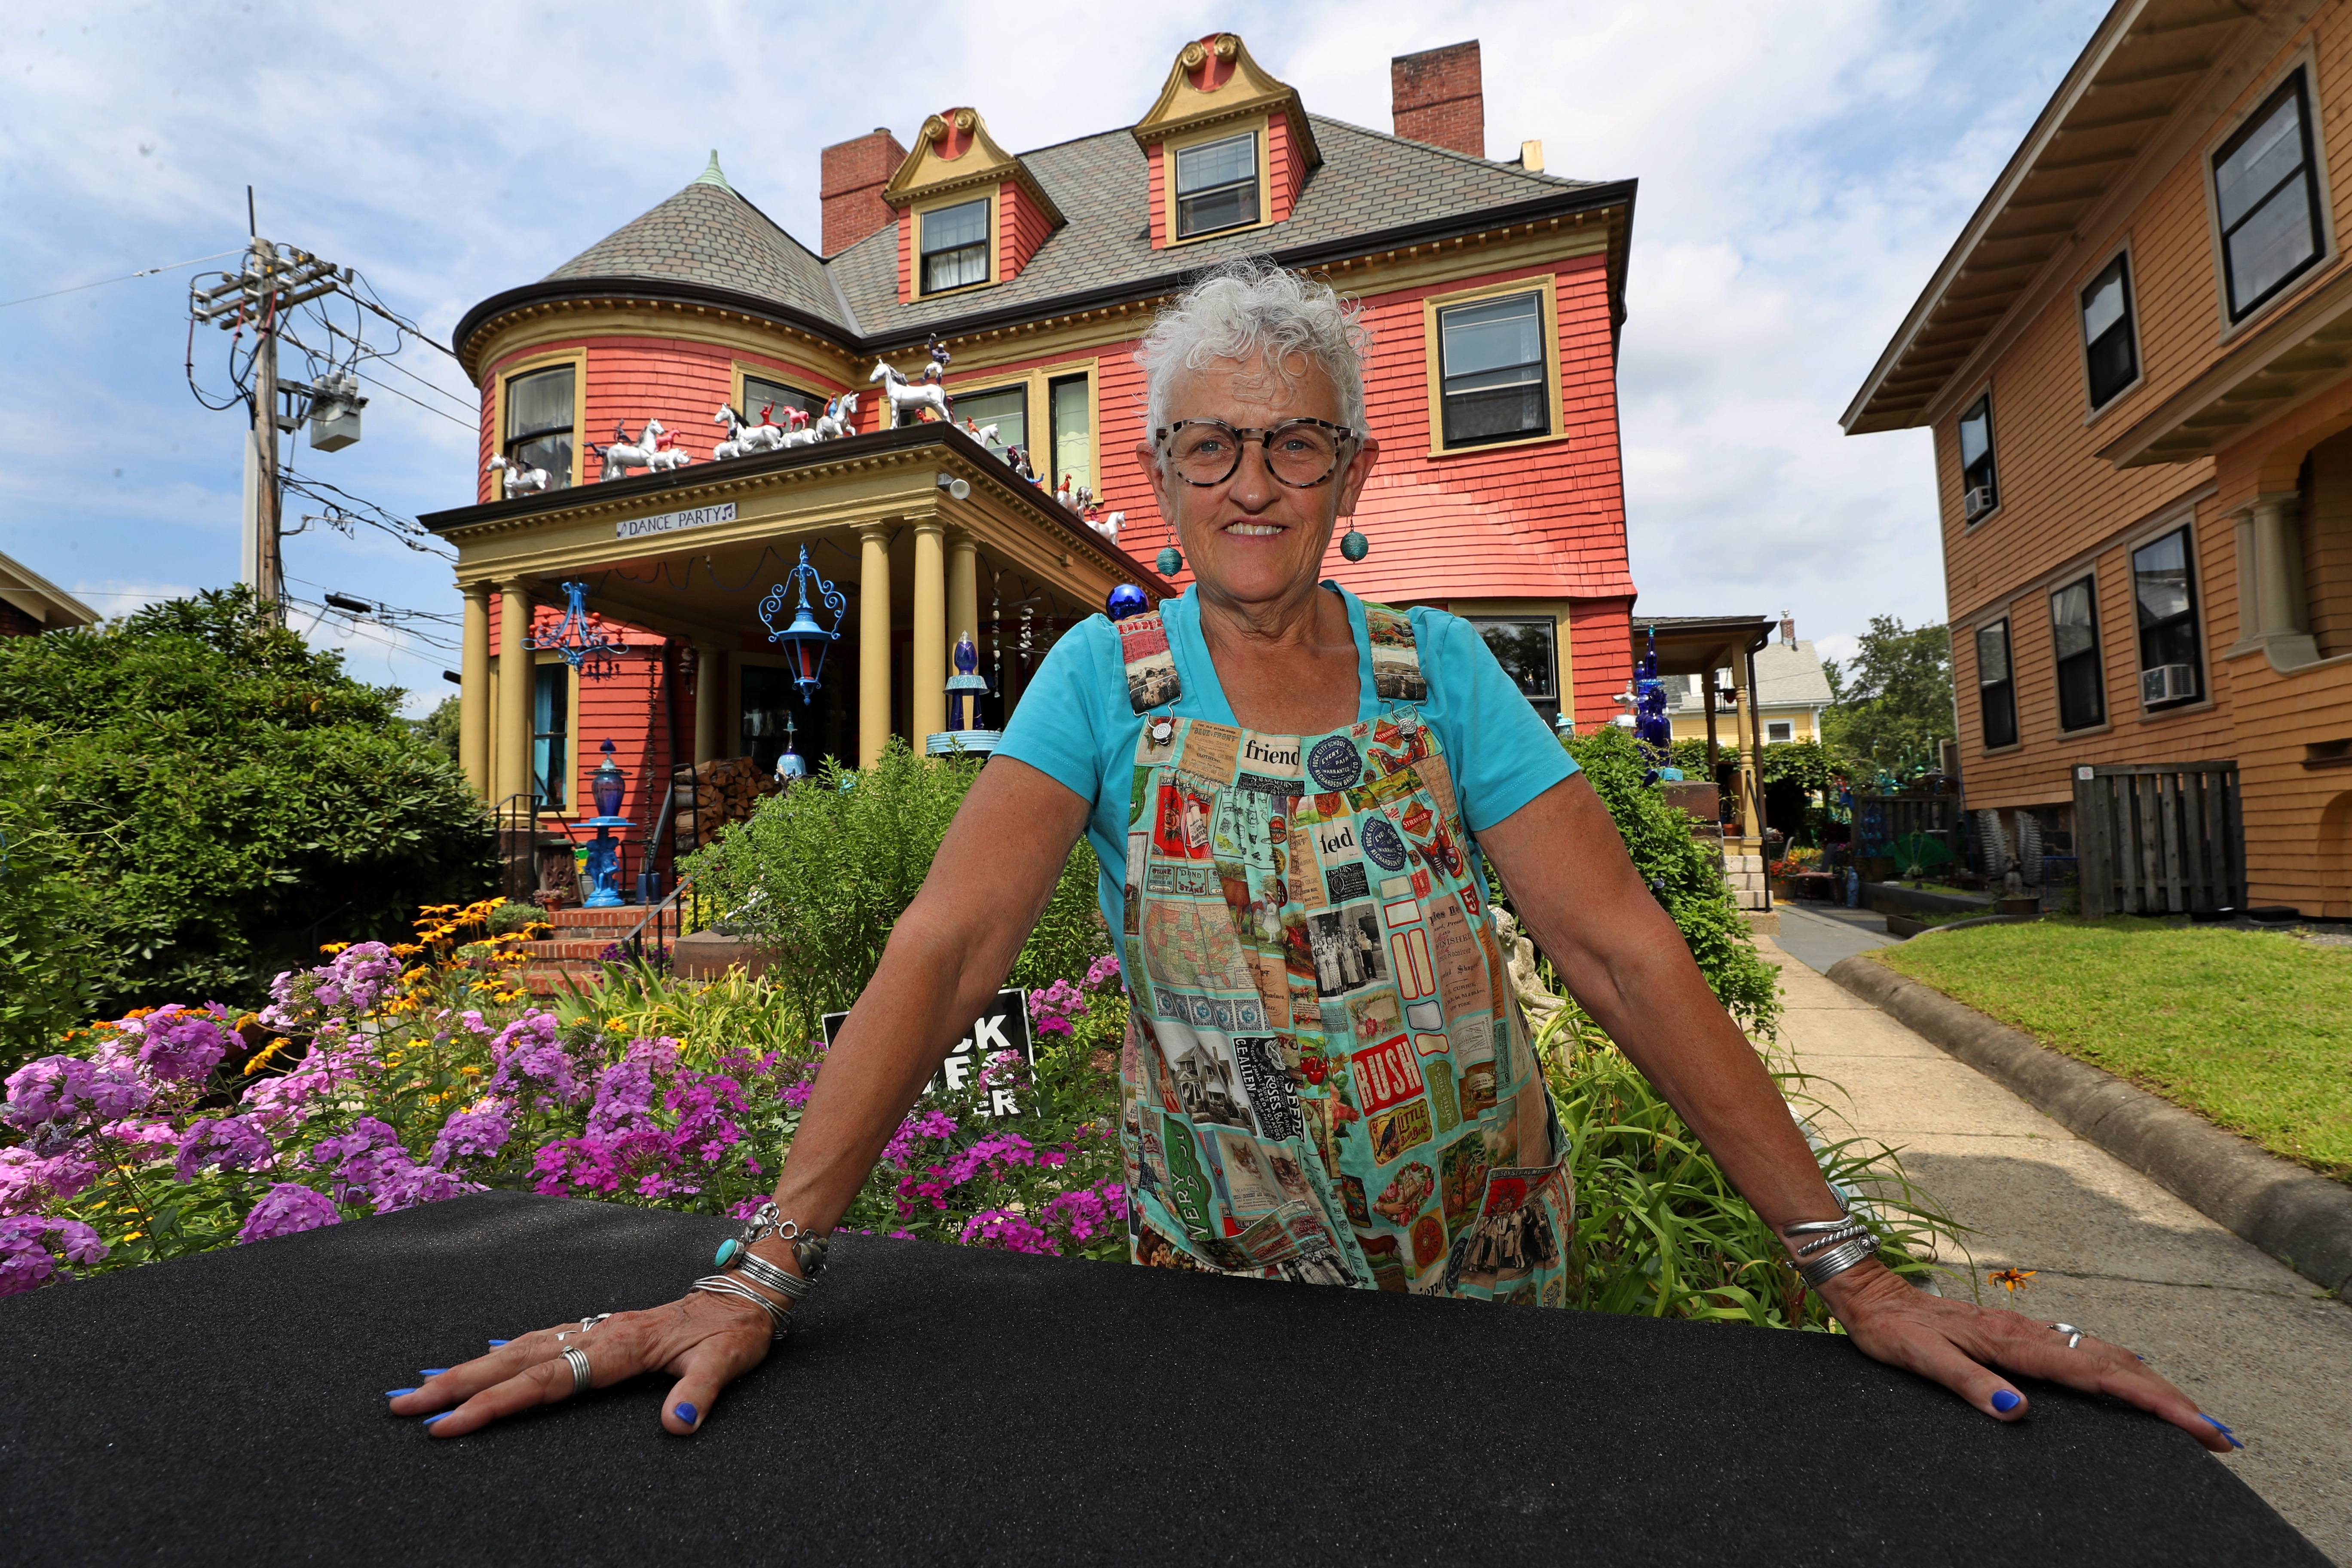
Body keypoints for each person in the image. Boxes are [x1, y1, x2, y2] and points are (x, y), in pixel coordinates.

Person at [391, 261, 2237, 1455]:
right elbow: (945, 957)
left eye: (1294, 442)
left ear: (1349, 471)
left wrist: (1853, 1272)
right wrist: (757, 1269)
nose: (1253, 480)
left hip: (1503, 1298)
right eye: (1211, 446)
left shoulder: (1449, 678)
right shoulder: (1097, 684)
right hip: (1222, 1322)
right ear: (1167, 476)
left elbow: (1623, 955)